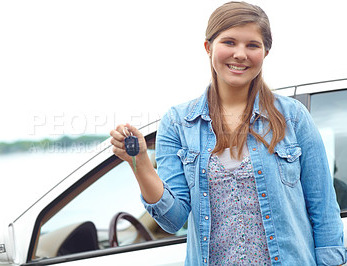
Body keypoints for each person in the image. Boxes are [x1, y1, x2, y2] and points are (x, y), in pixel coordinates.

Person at [110, 1, 347, 265]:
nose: (240, 54)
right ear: (208, 47)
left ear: (266, 52)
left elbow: (324, 211)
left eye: (252, 45)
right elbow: (172, 219)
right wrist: (140, 162)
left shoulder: (293, 117)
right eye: (229, 42)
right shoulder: (178, 123)